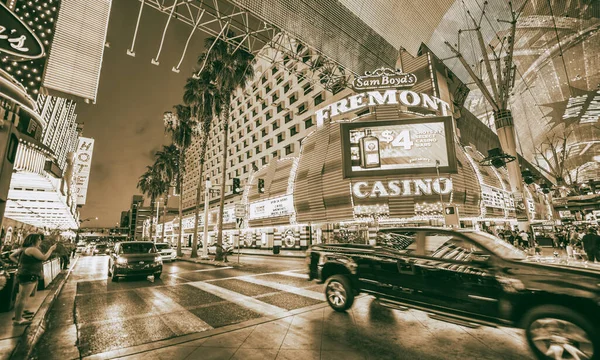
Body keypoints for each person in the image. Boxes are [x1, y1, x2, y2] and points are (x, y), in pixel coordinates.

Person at [9, 234, 57, 325]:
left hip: (23, 273)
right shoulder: (32, 249)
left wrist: (20, 263)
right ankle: (18, 320)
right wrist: (51, 249)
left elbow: (11, 256)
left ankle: (19, 314)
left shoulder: (23, 249)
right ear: (33, 240)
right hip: (29, 274)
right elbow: (44, 257)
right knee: (23, 297)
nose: (40, 241)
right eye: (38, 239)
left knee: (21, 296)